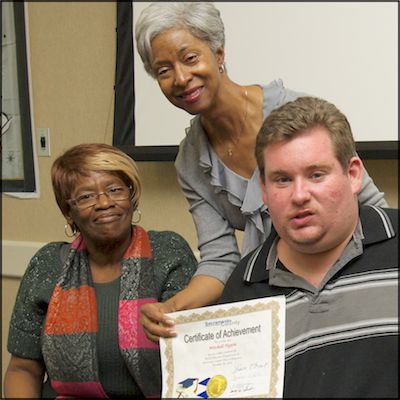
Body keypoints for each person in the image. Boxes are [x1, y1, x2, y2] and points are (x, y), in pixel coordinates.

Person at [134, 2, 388, 342]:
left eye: (190, 58)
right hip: (271, 301)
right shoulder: (190, 160)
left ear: (218, 52)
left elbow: (371, 207)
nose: (181, 78)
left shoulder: (298, 115)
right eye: (163, 70)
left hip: (348, 281)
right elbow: (220, 259)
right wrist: (174, 307)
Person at [219, 96, 398, 397]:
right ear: (263, 189)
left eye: (316, 174)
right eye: (282, 180)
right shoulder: (243, 287)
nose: (299, 195)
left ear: (353, 175)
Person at [4, 143, 197, 399]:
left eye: (115, 190)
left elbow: (194, 356)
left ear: (132, 197)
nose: (104, 203)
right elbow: (23, 369)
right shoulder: (48, 264)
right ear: (68, 212)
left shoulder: (168, 252)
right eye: (86, 196)